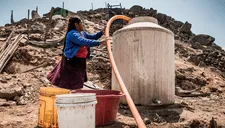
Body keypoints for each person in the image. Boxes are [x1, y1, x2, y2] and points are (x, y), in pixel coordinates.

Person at [53, 16, 107, 90]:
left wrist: (101, 33)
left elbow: (92, 37)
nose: (82, 25)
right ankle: (71, 95)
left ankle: (76, 93)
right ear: (76, 24)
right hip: (72, 60)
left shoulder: (82, 33)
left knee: (78, 81)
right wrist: (99, 43)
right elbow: (83, 41)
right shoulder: (72, 34)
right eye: (81, 23)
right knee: (73, 81)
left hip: (80, 60)